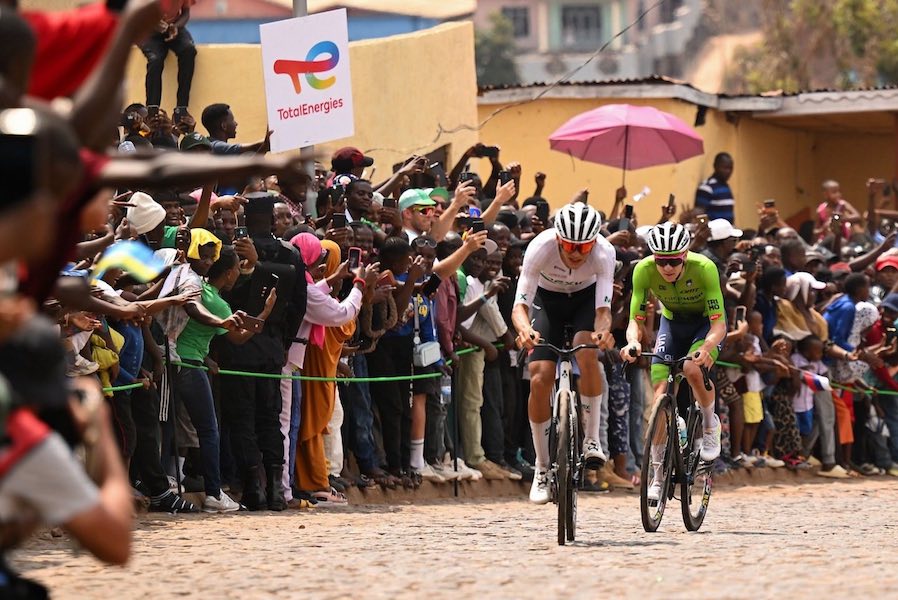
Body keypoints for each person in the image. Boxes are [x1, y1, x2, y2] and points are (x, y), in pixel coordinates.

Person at [512, 202, 617, 504]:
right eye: (569, 246)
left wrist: (603, 331)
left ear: (594, 243)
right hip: (548, 302)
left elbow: (603, 310)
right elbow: (520, 304)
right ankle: (542, 467)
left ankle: (592, 440)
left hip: (586, 300)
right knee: (539, 377)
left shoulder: (604, 253)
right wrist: (523, 330)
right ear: (558, 238)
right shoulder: (540, 247)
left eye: (583, 247)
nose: (575, 253)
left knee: (587, 352)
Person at [621, 222, 727, 501]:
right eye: (661, 261)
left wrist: (706, 347)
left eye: (674, 261)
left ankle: (709, 425)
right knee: (659, 402)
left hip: (703, 326)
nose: (667, 268)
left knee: (692, 368)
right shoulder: (643, 270)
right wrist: (633, 342)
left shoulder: (705, 268)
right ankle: (657, 477)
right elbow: (636, 318)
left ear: (685, 255)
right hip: (672, 324)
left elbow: (719, 325)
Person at [139, 2, 196, 124]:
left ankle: (181, 109)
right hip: (147, 29)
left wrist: (176, 27)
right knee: (155, 59)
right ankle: (152, 110)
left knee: (189, 50)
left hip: (173, 26)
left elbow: (186, 12)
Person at [200, 103, 271, 155]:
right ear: (224, 126)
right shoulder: (215, 147)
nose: (236, 124)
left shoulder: (222, 152)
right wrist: (269, 141)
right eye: (232, 120)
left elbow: (250, 169)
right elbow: (253, 147)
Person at [695, 152, 736, 224]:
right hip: (713, 233)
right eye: (725, 168)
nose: (728, 171)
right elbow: (700, 214)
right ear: (715, 166)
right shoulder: (707, 187)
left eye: (730, 168)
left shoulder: (725, 186)